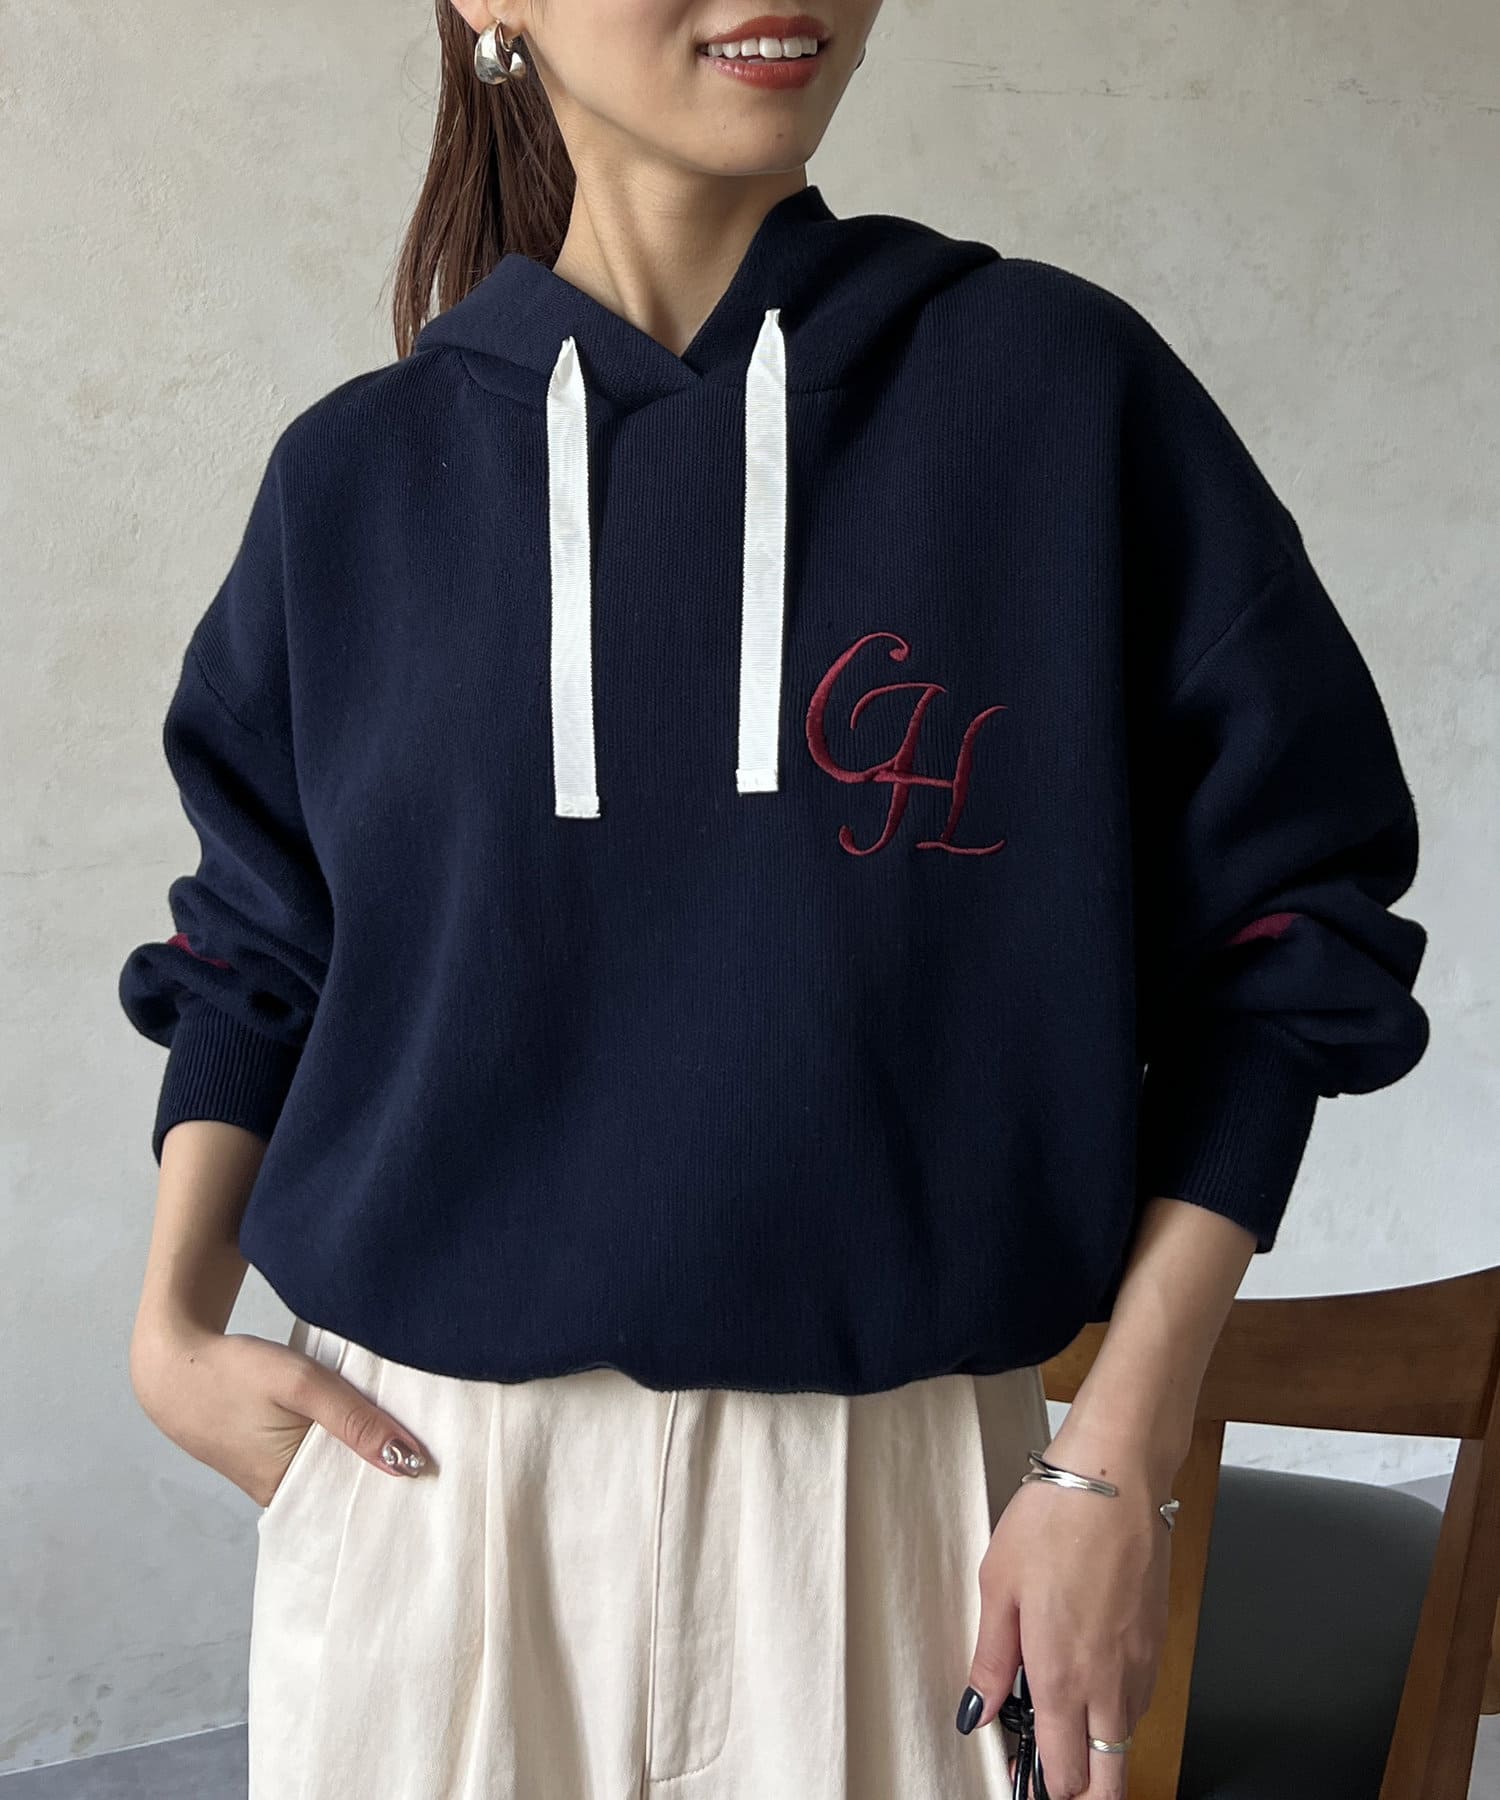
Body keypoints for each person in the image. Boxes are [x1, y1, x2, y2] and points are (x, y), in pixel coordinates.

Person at [118, 3, 1431, 1797]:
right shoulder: (351, 483)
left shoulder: (1058, 398)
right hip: (426, 1511)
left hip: (901, 1530)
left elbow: (1291, 929)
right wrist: (172, 1329)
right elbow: (253, 948)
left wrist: (1118, 1444)